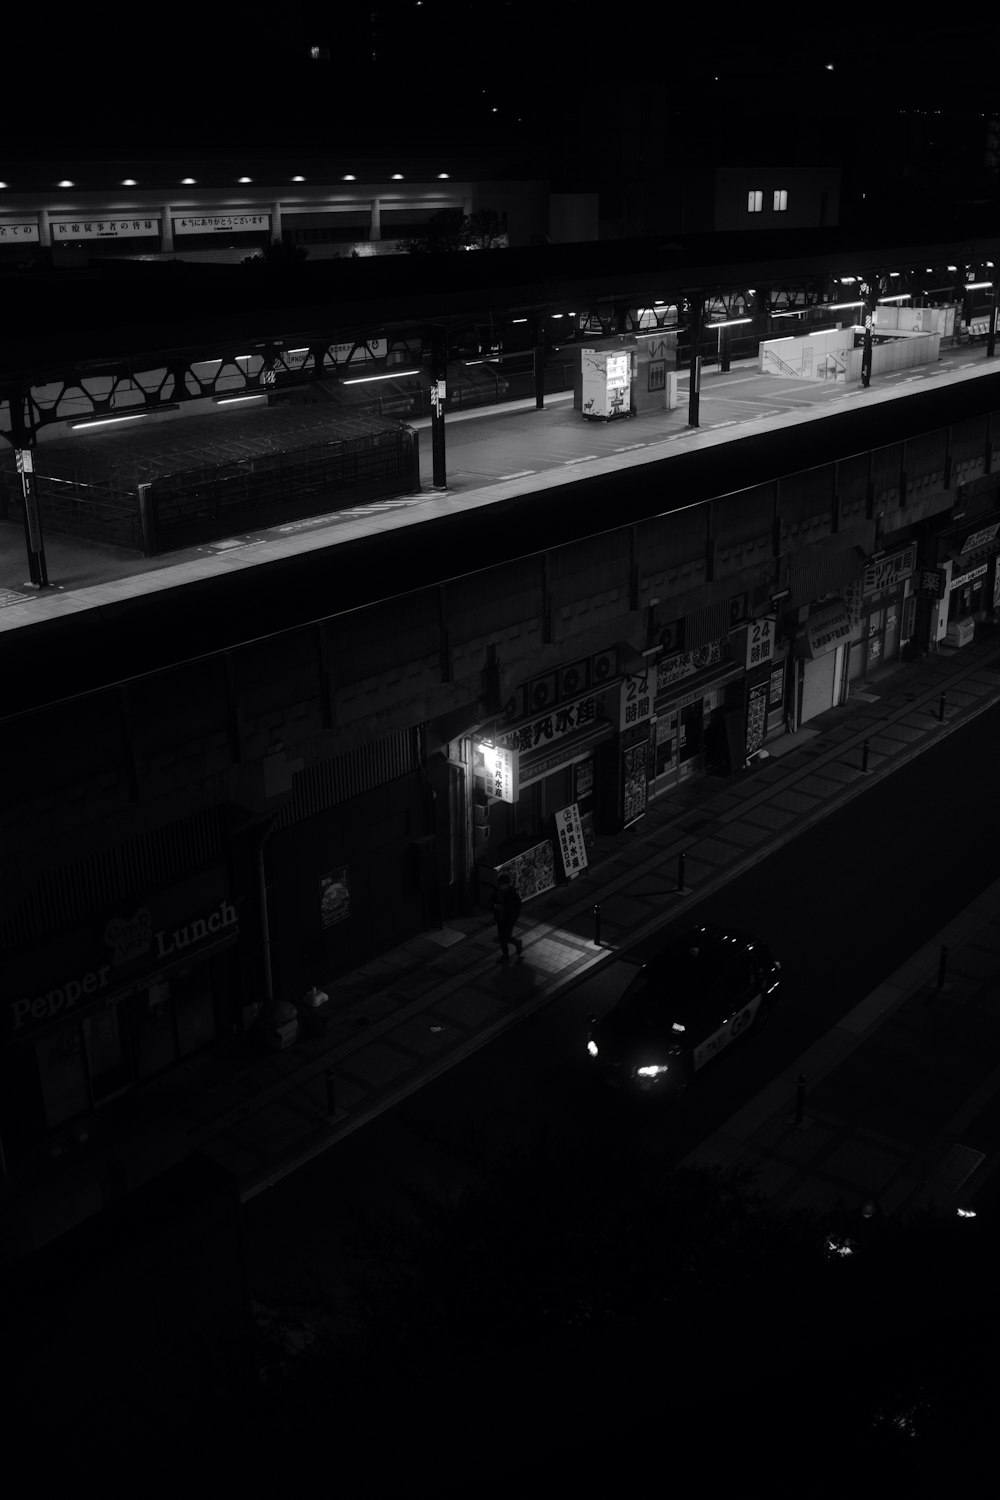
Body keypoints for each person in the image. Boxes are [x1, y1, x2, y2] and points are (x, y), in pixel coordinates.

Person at [490, 872, 523, 962]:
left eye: (503, 884)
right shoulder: (497, 891)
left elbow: (517, 907)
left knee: (507, 937)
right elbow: (491, 901)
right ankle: (505, 955)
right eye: (500, 884)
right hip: (500, 918)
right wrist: (495, 906)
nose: (501, 886)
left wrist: (511, 916)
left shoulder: (512, 894)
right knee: (502, 938)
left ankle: (517, 943)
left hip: (509, 919)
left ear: (507, 884)